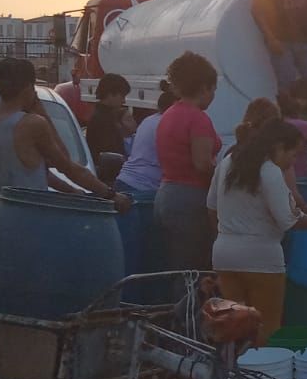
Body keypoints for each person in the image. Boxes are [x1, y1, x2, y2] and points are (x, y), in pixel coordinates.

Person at [207, 119, 307, 335]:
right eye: (292, 155)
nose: (291, 162)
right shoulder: (270, 171)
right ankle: (263, 368)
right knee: (265, 328)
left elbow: (211, 207)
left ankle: (231, 368)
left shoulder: (227, 162)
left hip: (224, 256)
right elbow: (288, 220)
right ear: (278, 147)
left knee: (231, 329)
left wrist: (223, 236)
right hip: (262, 259)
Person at [0, 57, 128, 215]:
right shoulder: (32, 124)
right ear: (29, 87)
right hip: (23, 222)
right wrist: (111, 195)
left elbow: (30, 172)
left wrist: (71, 191)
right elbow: (67, 165)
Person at [155, 51, 221, 272]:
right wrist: (227, 179)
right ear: (204, 87)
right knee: (193, 271)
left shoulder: (169, 114)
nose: (213, 96)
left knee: (175, 267)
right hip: (190, 200)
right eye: (213, 90)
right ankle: (187, 308)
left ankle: (173, 305)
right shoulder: (198, 118)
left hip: (166, 194)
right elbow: (202, 163)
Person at [115, 90, 175, 274]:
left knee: (130, 251)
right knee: (149, 252)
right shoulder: (168, 123)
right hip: (145, 191)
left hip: (125, 182)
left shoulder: (149, 121)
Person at [85, 72, 136, 172]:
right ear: (110, 94)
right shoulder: (102, 120)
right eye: (122, 96)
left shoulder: (107, 116)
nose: (124, 101)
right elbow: (111, 155)